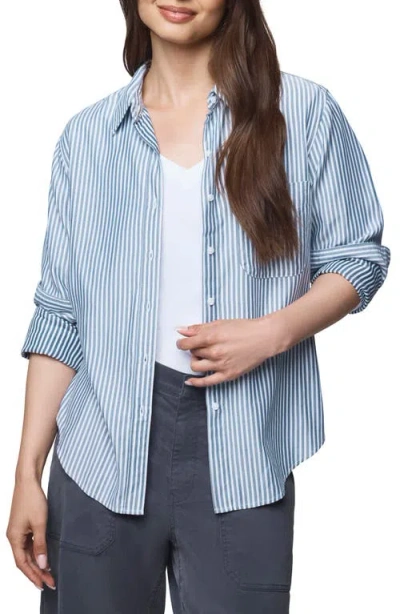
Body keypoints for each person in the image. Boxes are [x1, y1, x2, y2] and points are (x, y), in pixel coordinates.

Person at [7, 1, 391, 613]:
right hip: (100, 454)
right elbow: (60, 315)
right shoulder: (87, 138)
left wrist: (272, 332)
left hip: (243, 452)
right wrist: (28, 471)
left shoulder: (304, 113)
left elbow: (358, 258)